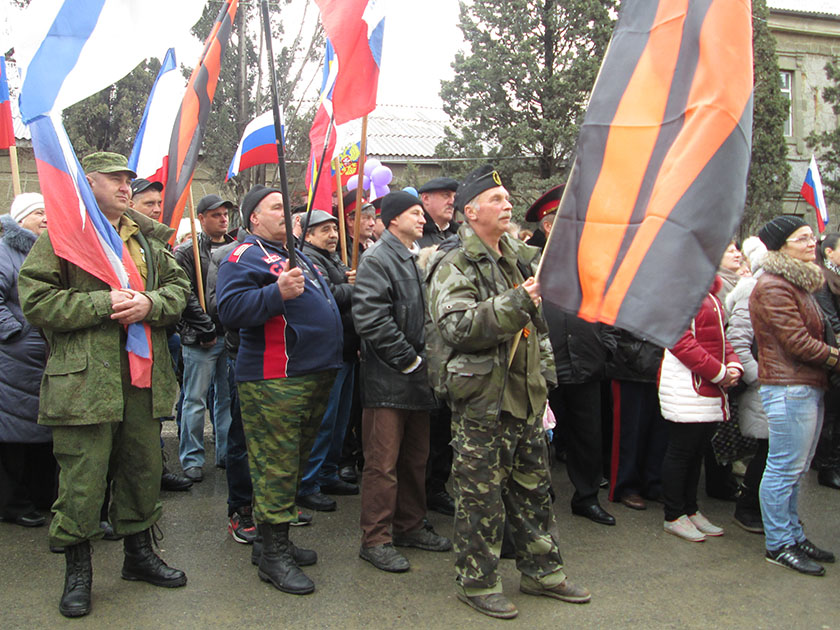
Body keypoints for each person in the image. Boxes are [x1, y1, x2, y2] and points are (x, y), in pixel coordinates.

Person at [18, 152, 190, 617]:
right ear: (87, 184)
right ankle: (78, 571)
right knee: (82, 481)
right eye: (113, 178)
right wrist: (104, 303)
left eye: (127, 179)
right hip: (84, 384)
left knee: (141, 471)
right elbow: (36, 299)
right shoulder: (63, 236)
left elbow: (180, 291)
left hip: (141, 378)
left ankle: (139, 555)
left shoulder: (149, 241)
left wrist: (149, 304)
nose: (124, 186)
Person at [427, 165, 589, 620]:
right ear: (470, 211)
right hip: (483, 400)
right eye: (497, 199)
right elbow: (458, 327)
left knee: (534, 491)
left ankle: (543, 572)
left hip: (527, 396)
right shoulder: (454, 262)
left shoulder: (518, 256)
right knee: (481, 498)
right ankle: (477, 582)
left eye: (507, 198)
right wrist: (520, 300)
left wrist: (548, 378)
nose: (508, 205)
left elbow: (537, 331)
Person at [217, 185, 342, 595]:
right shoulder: (243, 255)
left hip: (313, 375)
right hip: (276, 379)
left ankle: (275, 542)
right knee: (277, 466)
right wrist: (276, 293)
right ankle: (273, 555)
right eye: (276, 208)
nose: (287, 216)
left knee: (294, 461)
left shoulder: (296, 252)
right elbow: (229, 311)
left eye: (288, 210)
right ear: (254, 217)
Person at [352, 191, 451, 573]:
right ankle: (375, 539)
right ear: (392, 220)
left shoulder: (413, 257)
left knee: (415, 460)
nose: (422, 218)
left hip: (417, 382)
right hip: (389, 382)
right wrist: (410, 360)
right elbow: (371, 319)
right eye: (414, 213)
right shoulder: (378, 258)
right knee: (383, 464)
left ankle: (410, 526)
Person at [525, 186, 617, 526]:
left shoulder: (591, 264)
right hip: (544, 366)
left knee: (587, 436)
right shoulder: (527, 263)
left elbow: (609, 311)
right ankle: (538, 497)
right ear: (549, 226)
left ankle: (587, 497)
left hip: (587, 362)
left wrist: (606, 346)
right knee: (540, 436)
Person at [750, 216, 837, 575]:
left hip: (805, 385)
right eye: (801, 238)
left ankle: (792, 534)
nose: (810, 243)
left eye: (811, 237)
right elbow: (797, 342)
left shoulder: (797, 283)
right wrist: (835, 356)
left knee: (796, 469)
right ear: (781, 245)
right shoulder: (773, 286)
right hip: (789, 389)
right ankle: (779, 544)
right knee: (783, 468)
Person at [658, 275, 742, 542]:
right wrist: (719, 372)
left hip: (706, 384)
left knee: (697, 451)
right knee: (682, 450)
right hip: (685, 384)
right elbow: (681, 343)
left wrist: (733, 365)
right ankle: (673, 514)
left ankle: (690, 509)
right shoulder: (678, 294)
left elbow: (721, 337)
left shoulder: (709, 294)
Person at [128, 178, 193, 493]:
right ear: (130, 204)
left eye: (158, 204)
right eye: (148, 204)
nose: (156, 210)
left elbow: (180, 288)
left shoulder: (156, 243)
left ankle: (157, 468)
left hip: (160, 336)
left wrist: (152, 304)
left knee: (154, 409)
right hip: (123, 341)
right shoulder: (111, 240)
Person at [297, 209, 360, 511]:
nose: (333, 235)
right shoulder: (307, 258)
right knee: (323, 421)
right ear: (308, 235)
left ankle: (328, 472)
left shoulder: (332, 257)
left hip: (346, 350)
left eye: (334, 228)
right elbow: (329, 295)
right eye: (325, 230)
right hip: (326, 354)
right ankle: (308, 482)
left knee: (339, 421)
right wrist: (354, 285)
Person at [0, 193, 55, 528]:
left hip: (41, 358)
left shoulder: (46, 251)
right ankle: (12, 502)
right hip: (13, 360)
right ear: (20, 219)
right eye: (38, 212)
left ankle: (39, 495)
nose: (46, 217)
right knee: (13, 436)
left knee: (40, 433)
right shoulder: (5, 253)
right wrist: (14, 333)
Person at [175, 194, 236, 481]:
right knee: (194, 399)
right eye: (215, 215)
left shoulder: (238, 249)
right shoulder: (187, 253)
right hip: (200, 339)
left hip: (230, 336)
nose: (223, 219)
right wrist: (205, 328)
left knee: (226, 399)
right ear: (201, 219)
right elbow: (184, 294)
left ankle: (225, 453)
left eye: (225, 214)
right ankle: (192, 458)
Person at [725, 236, 770, 533]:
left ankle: (774, 512)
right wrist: (759, 378)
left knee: (777, 455)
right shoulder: (751, 290)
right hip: (766, 383)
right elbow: (738, 340)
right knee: (767, 453)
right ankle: (749, 508)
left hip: (784, 383)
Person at [606, 330, 667, 512]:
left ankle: (654, 482)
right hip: (630, 367)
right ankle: (626, 486)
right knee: (629, 432)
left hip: (663, 369)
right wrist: (633, 354)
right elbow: (610, 330)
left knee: (660, 433)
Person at [813, 232, 840, 489]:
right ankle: (827, 466)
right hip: (832, 356)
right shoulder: (823, 279)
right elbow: (831, 321)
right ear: (829, 252)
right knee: (831, 415)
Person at [416, 176, 459, 248]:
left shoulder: (459, 236)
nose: (452, 202)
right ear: (426, 199)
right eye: (446, 195)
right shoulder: (412, 236)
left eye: (454, 197)